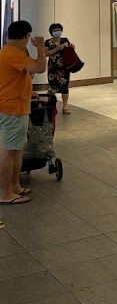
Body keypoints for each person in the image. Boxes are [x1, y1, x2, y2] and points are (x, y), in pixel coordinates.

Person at [0, 20, 46, 205]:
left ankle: (15, 186)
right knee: (9, 151)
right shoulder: (12, 54)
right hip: (13, 110)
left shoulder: (7, 52)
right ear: (26, 37)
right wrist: (41, 48)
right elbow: (39, 68)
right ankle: (5, 193)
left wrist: (30, 91)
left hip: (15, 107)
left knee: (16, 151)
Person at [45, 22, 74, 114]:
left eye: (59, 30)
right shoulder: (48, 42)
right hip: (53, 68)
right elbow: (46, 53)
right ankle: (51, 106)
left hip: (64, 67)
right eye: (55, 30)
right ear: (51, 32)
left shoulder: (65, 40)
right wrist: (57, 49)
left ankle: (65, 107)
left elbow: (69, 51)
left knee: (65, 86)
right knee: (52, 87)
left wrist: (72, 47)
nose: (57, 32)